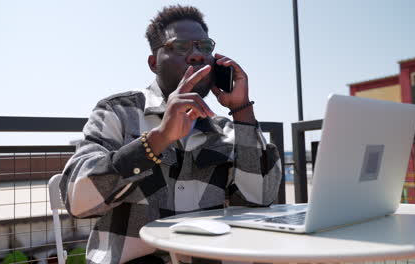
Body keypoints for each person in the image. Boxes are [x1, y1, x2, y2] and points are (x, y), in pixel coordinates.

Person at [60, 5, 282, 264]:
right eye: (181, 46)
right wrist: (157, 140)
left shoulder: (226, 129)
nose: (196, 55)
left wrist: (242, 111)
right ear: (154, 63)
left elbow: (260, 200)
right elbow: (78, 201)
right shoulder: (118, 112)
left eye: (204, 47)